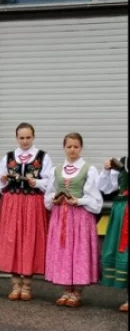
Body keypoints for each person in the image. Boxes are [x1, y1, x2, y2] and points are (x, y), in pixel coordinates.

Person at [0, 122, 54, 302]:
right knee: (12, 240)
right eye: (22, 138)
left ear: (33, 137)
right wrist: (4, 180)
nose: (25, 141)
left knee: (30, 240)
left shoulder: (43, 156)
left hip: (33, 203)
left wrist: (37, 183)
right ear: (16, 138)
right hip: (12, 202)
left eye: (28, 137)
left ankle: (27, 286)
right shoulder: (9, 157)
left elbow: (51, 181)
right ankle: (15, 285)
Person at [44, 133, 102, 308]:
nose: (72, 150)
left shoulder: (89, 169)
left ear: (81, 148)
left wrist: (79, 201)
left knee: (78, 251)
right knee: (63, 251)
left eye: (76, 147)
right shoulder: (56, 170)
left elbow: (96, 201)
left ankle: (77, 291)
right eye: (69, 146)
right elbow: (48, 195)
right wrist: (53, 199)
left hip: (80, 218)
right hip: (61, 216)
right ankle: (66, 290)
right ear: (64, 148)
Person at [99, 154, 128, 312]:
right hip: (122, 211)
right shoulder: (123, 162)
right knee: (124, 253)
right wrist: (106, 170)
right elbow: (107, 188)